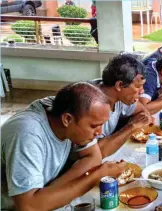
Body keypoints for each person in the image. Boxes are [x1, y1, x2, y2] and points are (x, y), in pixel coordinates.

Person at [1, 82, 126, 210]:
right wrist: (94, 176)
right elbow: (28, 207)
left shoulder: (63, 107)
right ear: (67, 119)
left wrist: (49, 195)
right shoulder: (27, 135)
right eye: (94, 126)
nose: (100, 133)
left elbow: (93, 157)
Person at [92, 53, 153, 157]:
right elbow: (97, 152)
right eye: (138, 86)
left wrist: (143, 118)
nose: (142, 91)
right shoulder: (92, 104)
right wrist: (132, 127)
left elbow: (141, 109)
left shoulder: (118, 95)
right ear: (119, 85)